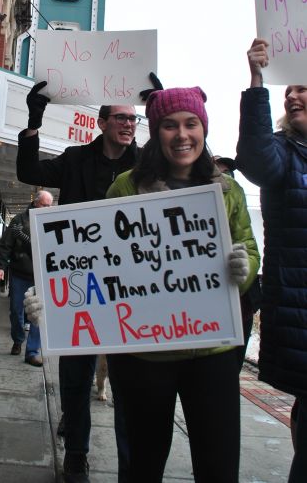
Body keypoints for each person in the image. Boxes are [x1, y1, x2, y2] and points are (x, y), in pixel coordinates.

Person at [103, 87, 260, 483]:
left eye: (191, 124)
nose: (182, 134)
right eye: (169, 125)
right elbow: (101, 258)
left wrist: (245, 271)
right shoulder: (125, 186)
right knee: (142, 464)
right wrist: (56, 309)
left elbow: (250, 248)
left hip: (214, 351)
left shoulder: (228, 189)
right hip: (146, 356)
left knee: (219, 464)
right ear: (156, 133)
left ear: (203, 130)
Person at [17, 80, 143, 483]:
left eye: (134, 118)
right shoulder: (74, 159)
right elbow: (28, 170)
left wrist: (158, 111)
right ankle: (76, 455)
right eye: (121, 117)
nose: (129, 124)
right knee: (76, 374)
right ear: (102, 122)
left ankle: (131, 464)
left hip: (129, 286)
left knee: (128, 379)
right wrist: (35, 121)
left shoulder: (146, 163)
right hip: (80, 284)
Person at [236, 38, 307, 483]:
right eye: (290, 92)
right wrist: (257, 83)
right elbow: (256, 160)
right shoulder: (282, 150)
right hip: (299, 307)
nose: (294, 96)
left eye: (304, 89)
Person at [0, 189, 54, 367]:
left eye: (49, 206)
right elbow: (5, 244)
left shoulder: (51, 221)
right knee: (16, 310)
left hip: (41, 275)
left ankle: (32, 351)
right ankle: (18, 339)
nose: (47, 208)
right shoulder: (19, 221)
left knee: (38, 314)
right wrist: (0, 266)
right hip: (20, 273)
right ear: (36, 203)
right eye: (45, 205)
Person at [213, 155, 262, 369]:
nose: (225, 177)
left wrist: (245, 269)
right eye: (220, 171)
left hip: (241, 308)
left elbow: (251, 250)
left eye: (229, 173)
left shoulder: (234, 195)